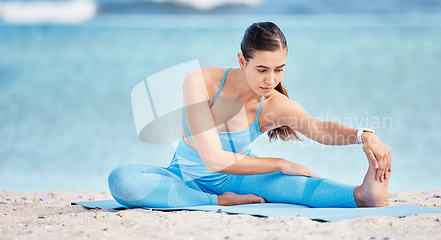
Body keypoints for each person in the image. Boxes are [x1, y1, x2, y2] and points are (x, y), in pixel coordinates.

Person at [108, 22, 392, 208]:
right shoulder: (201, 82)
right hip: (182, 177)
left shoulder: (275, 104)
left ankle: (362, 194)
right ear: (242, 60)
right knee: (121, 180)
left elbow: (320, 129)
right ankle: (217, 200)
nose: (271, 80)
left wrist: (363, 136)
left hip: (240, 178)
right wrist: (281, 162)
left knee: (297, 186)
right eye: (262, 69)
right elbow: (214, 159)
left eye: (279, 69)